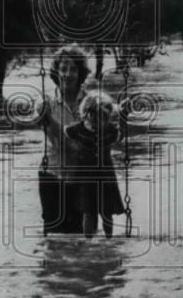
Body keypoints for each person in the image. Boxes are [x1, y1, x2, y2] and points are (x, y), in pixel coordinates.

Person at [38, 45, 90, 234]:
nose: (67, 75)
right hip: (52, 174)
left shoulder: (89, 103)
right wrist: (43, 116)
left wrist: (122, 113)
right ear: (56, 72)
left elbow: (78, 147)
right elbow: (57, 142)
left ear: (81, 73)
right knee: (53, 238)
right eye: (63, 69)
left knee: (79, 234)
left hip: (80, 176)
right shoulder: (45, 103)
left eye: (73, 69)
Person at [66, 92, 125, 238]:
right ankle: (88, 242)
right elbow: (66, 132)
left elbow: (120, 136)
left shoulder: (109, 129)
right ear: (88, 116)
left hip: (106, 176)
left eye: (105, 119)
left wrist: (124, 117)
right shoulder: (78, 129)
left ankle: (109, 240)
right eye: (98, 118)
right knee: (89, 212)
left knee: (107, 212)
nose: (102, 123)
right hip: (86, 177)